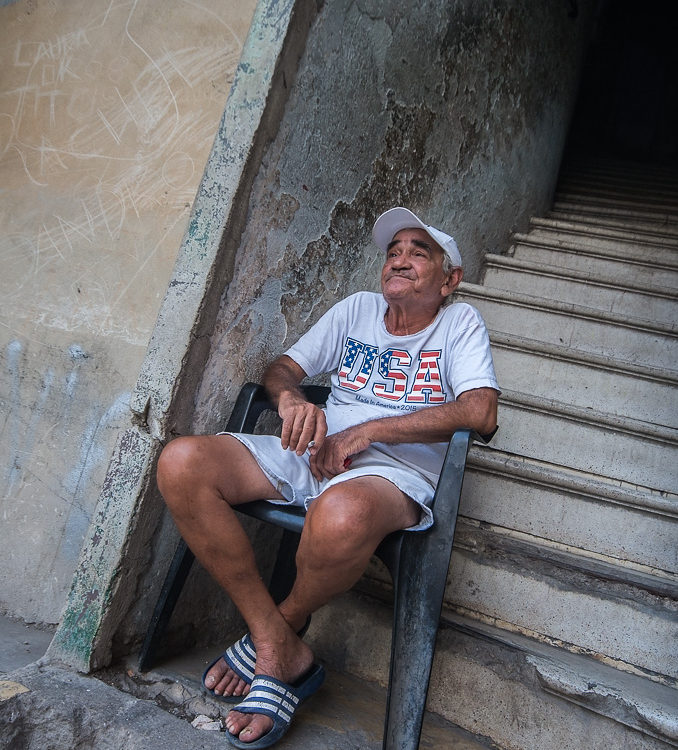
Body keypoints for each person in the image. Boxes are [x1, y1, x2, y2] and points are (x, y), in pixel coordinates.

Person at [157, 206, 499, 749]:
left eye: (418, 252)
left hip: (391, 474)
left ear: (449, 279)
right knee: (181, 463)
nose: (400, 260)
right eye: (392, 252)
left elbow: (480, 411)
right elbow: (282, 370)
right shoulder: (356, 310)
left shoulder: (460, 323)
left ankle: (273, 646)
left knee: (341, 514)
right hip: (314, 453)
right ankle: (278, 643)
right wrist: (292, 399)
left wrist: (370, 431)